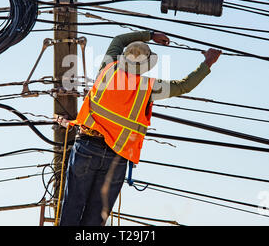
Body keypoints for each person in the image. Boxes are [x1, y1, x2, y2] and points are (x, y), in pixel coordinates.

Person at [55, 30, 221, 226]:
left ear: (123, 57)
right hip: (115, 159)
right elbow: (185, 86)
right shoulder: (148, 87)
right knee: (95, 219)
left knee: (72, 207)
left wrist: (151, 35)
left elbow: (118, 39)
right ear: (145, 67)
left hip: (87, 147)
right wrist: (207, 62)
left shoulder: (107, 69)